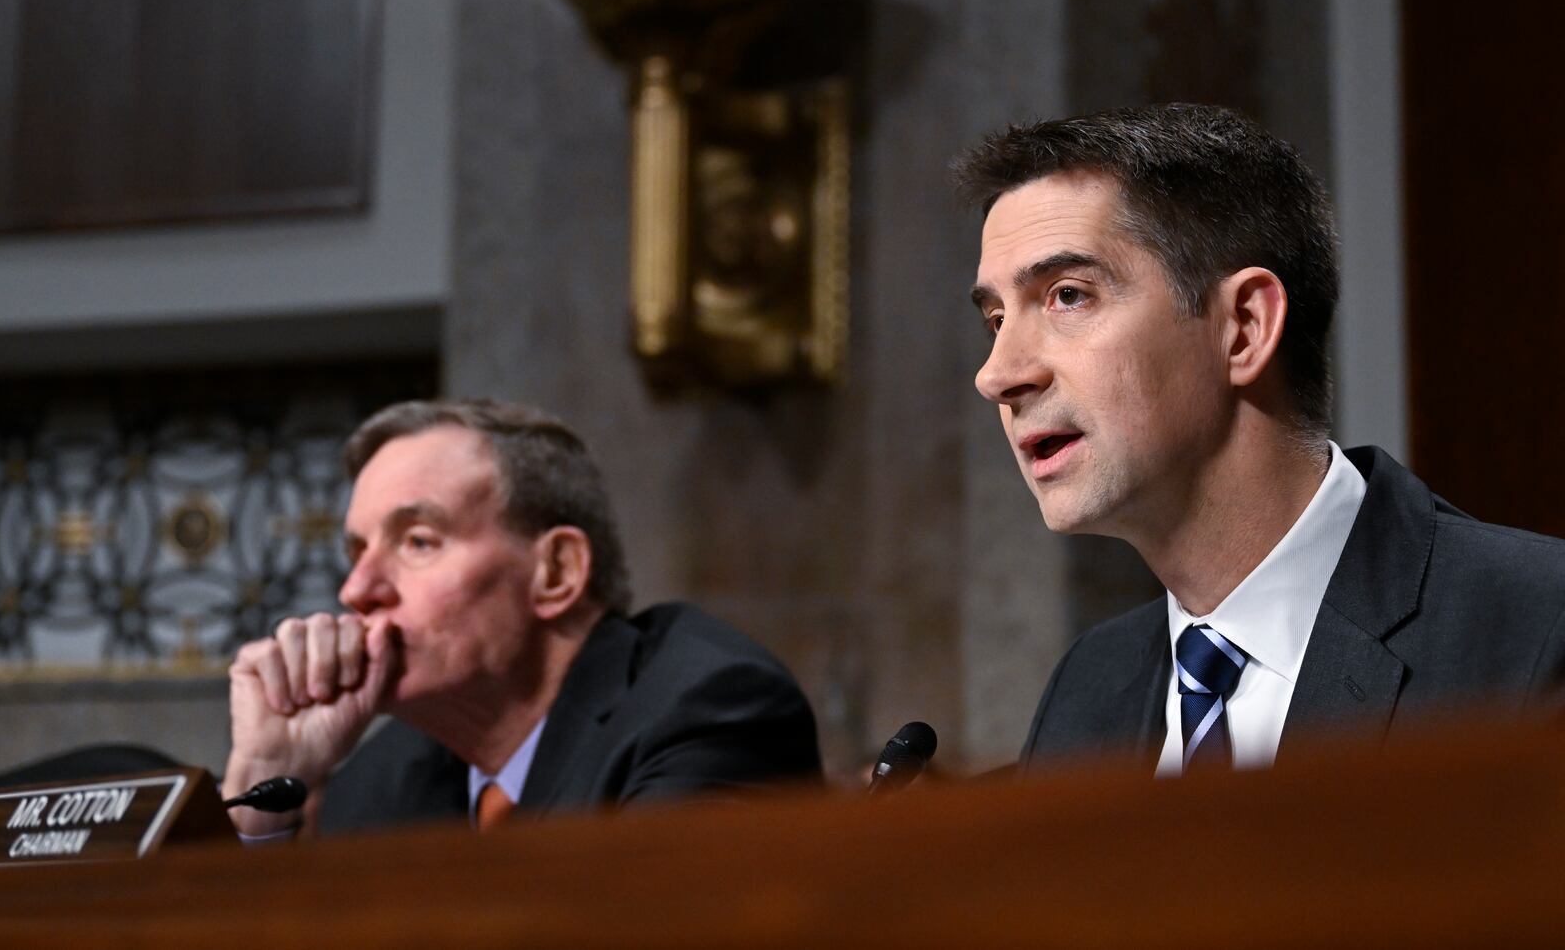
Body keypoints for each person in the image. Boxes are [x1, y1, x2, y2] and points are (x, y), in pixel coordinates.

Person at [954, 103, 1565, 774]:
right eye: (995, 319)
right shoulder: (1086, 692)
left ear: (1243, 327)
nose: (998, 375)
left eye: (1067, 295)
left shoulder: (1535, 632)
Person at [222, 399, 820, 837]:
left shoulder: (706, 712)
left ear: (556, 571)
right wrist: (264, 783)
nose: (357, 590)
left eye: (419, 542)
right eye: (357, 553)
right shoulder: (376, 785)